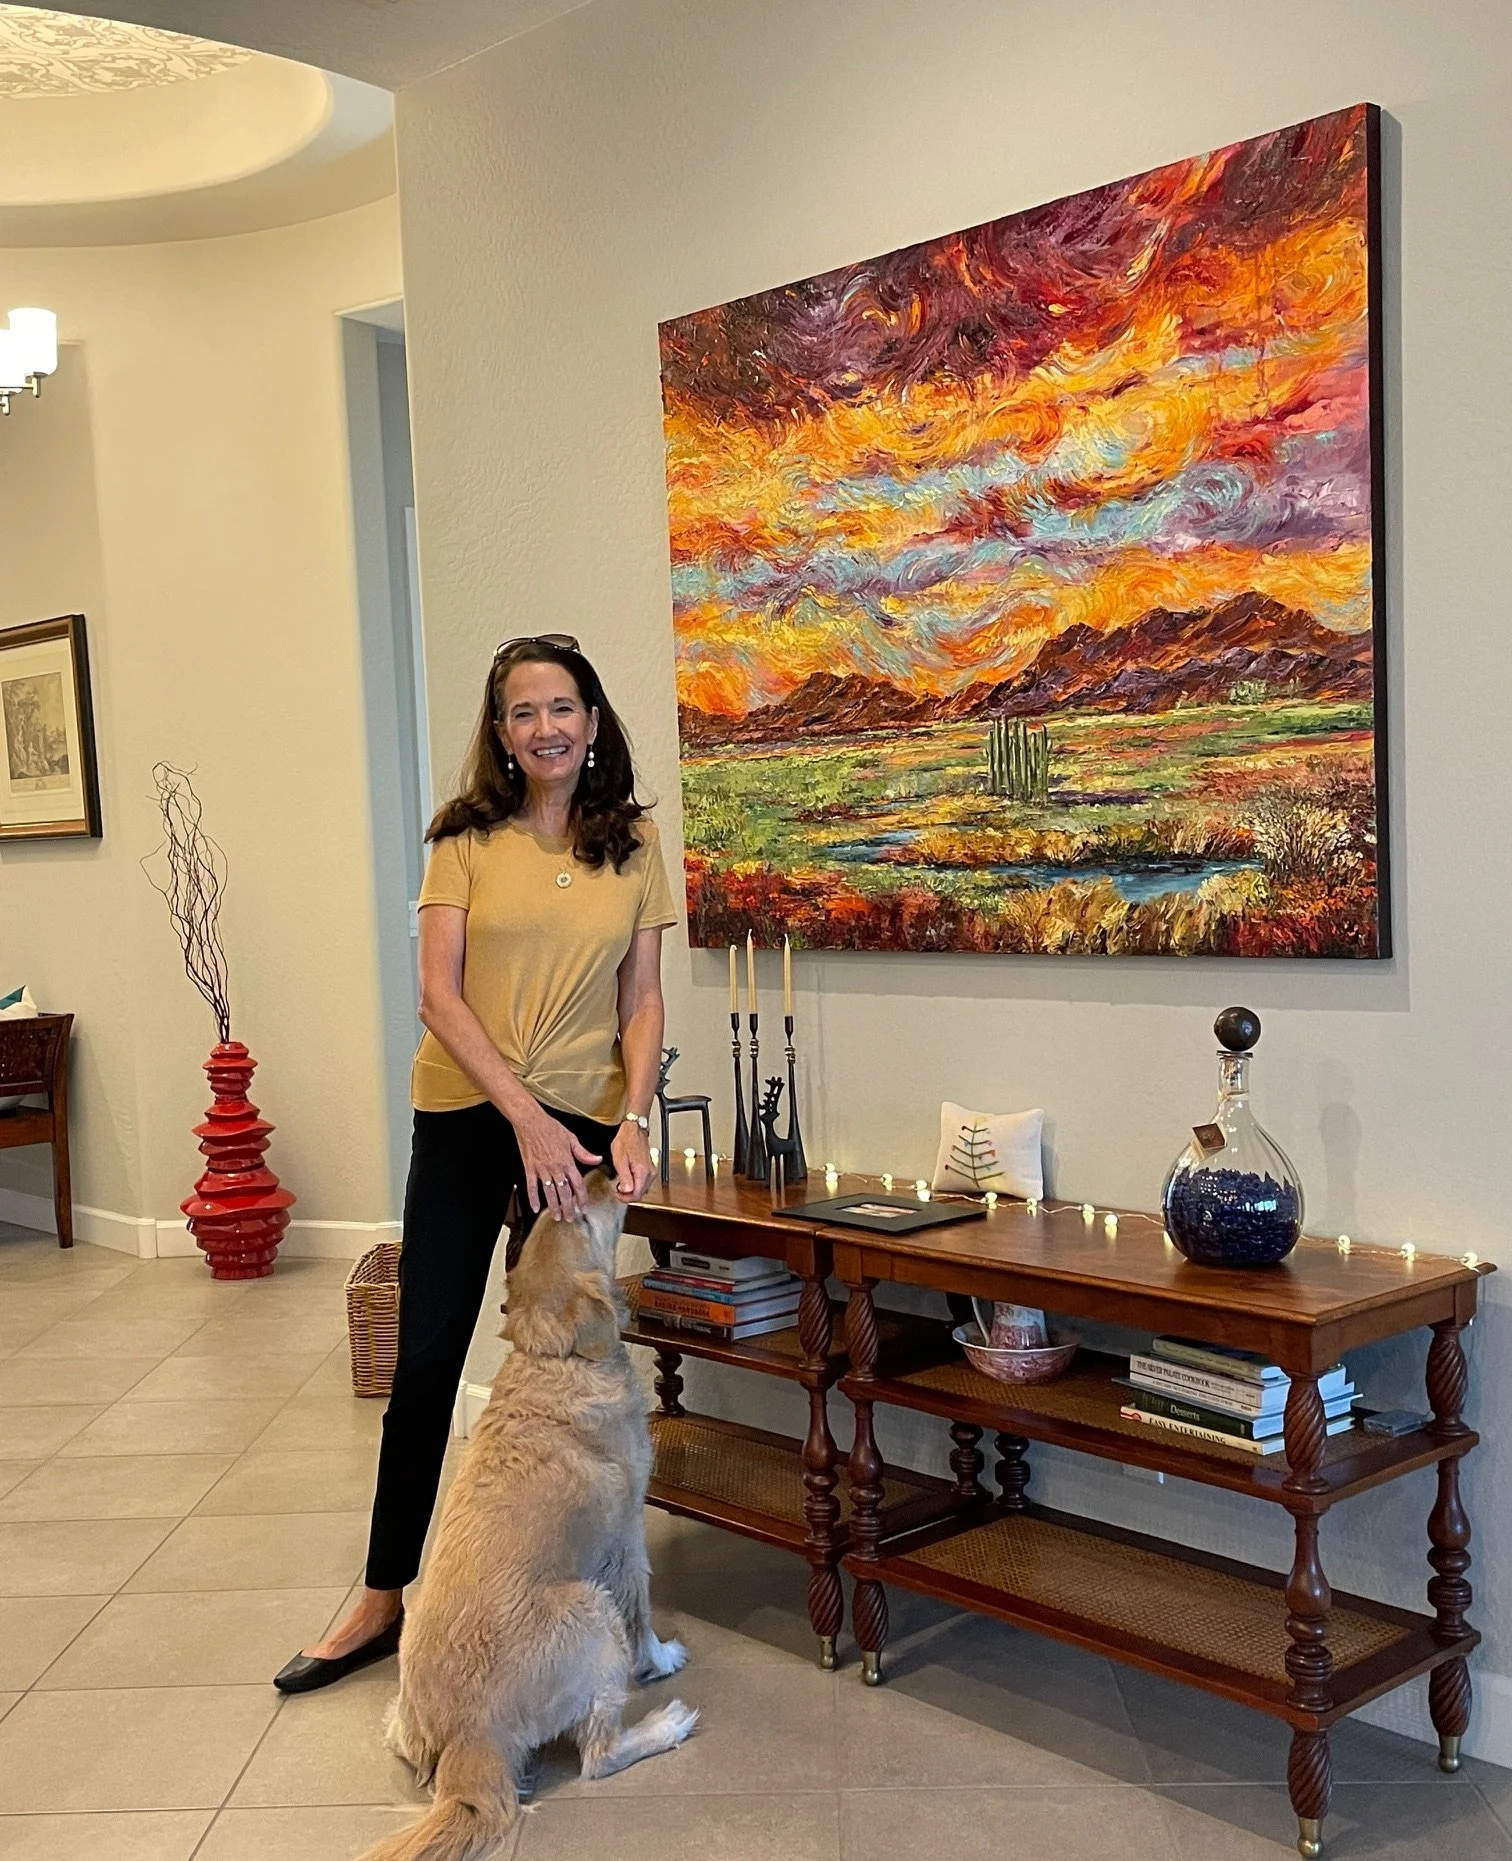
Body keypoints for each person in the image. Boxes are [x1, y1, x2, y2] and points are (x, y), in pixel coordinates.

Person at [274, 634, 674, 1693]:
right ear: (501, 733)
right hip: (467, 1108)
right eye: (524, 712)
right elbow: (436, 996)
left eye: (563, 708)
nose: (546, 728)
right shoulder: (462, 838)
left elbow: (641, 1000)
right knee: (427, 1356)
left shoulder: (634, 845)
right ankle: (381, 1593)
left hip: (584, 1116)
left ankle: (557, 1574)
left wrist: (631, 1115)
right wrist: (523, 1122)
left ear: (593, 722)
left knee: (573, 1357)